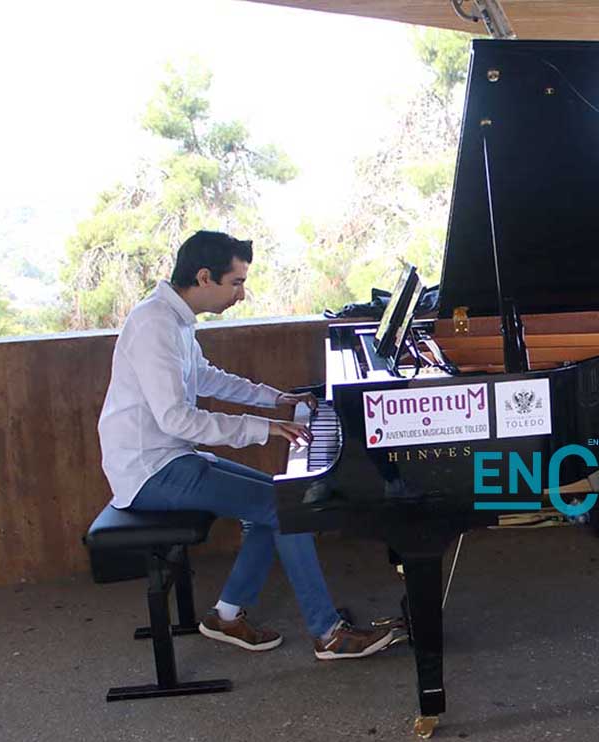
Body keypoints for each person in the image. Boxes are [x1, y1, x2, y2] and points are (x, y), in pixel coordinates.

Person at [98, 230, 402, 660]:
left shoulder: (175, 320)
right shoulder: (155, 325)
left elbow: (205, 377)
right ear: (204, 277)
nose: (241, 294)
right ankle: (329, 633)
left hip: (169, 457)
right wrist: (265, 427)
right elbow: (177, 418)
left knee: (278, 501)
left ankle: (226, 615)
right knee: (284, 510)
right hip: (148, 471)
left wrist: (275, 398)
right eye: (236, 283)